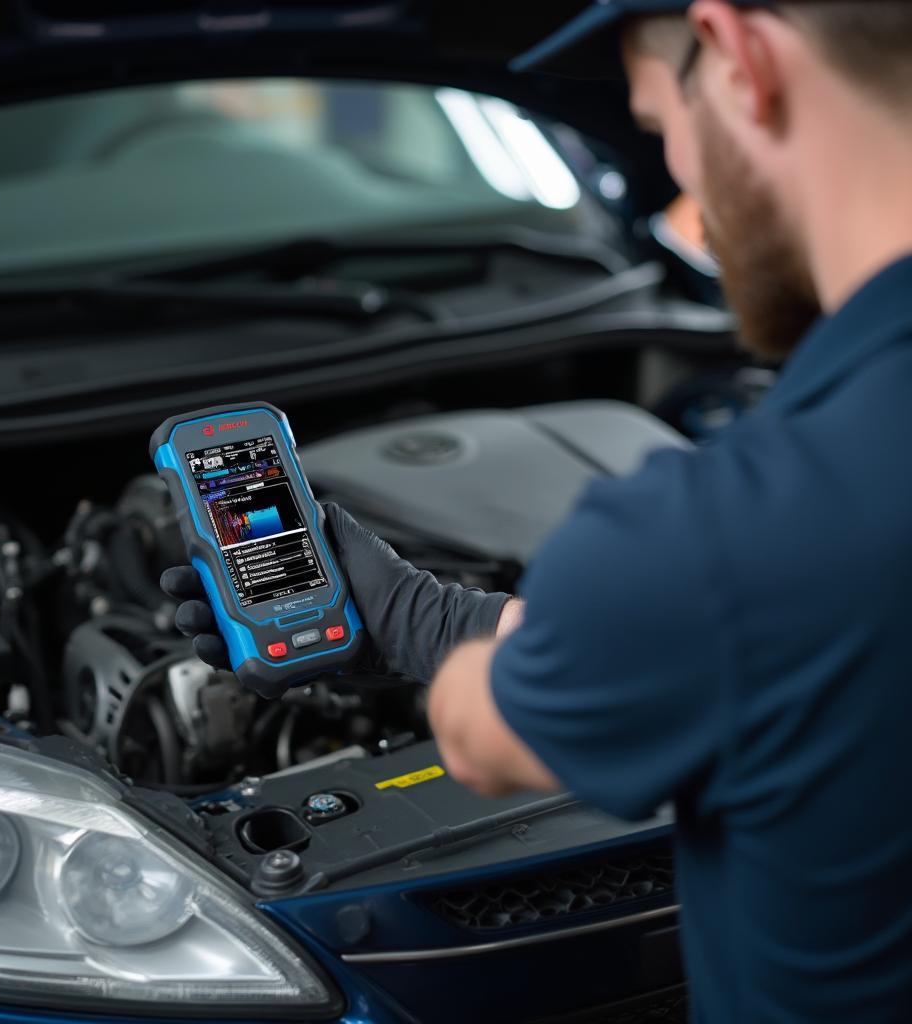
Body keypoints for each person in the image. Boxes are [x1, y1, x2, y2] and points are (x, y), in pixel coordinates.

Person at [162, 2, 912, 1019]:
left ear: (737, 58)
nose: (680, 176)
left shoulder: (733, 532)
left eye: (656, 129)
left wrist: (425, 622)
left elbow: (485, 736)